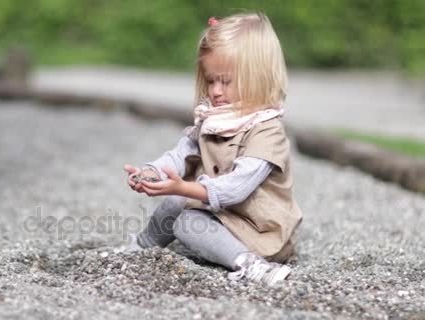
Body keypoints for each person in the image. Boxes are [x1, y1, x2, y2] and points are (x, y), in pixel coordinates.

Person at [123, 12, 302, 286]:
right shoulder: (215, 120)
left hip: (261, 232)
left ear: (259, 77)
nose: (216, 91)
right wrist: (152, 172)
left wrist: (184, 188)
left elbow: (235, 189)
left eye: (226, 81)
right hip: (227, 218)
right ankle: (140, 248)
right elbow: (180, 154)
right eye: (210, 80)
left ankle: (251, 264)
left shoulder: (266, 131)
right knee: (174, 202)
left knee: (185, 222)